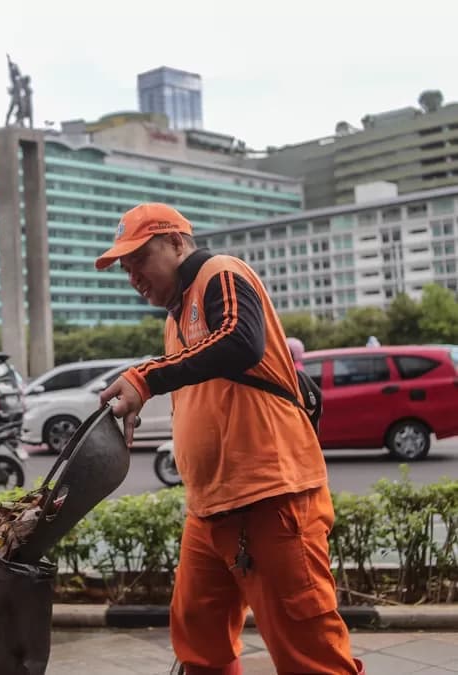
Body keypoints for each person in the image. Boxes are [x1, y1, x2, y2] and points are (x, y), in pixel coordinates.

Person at [95, 203, 364, 675]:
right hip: (210, 509)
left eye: (140, 258)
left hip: (271, 499)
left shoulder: (219, 272)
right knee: (199, 644)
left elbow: (241, 340)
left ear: (177, 242)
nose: (133, 275)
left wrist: (146, 379)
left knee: (310, 654)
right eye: (125, 267)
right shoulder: (175, 319)